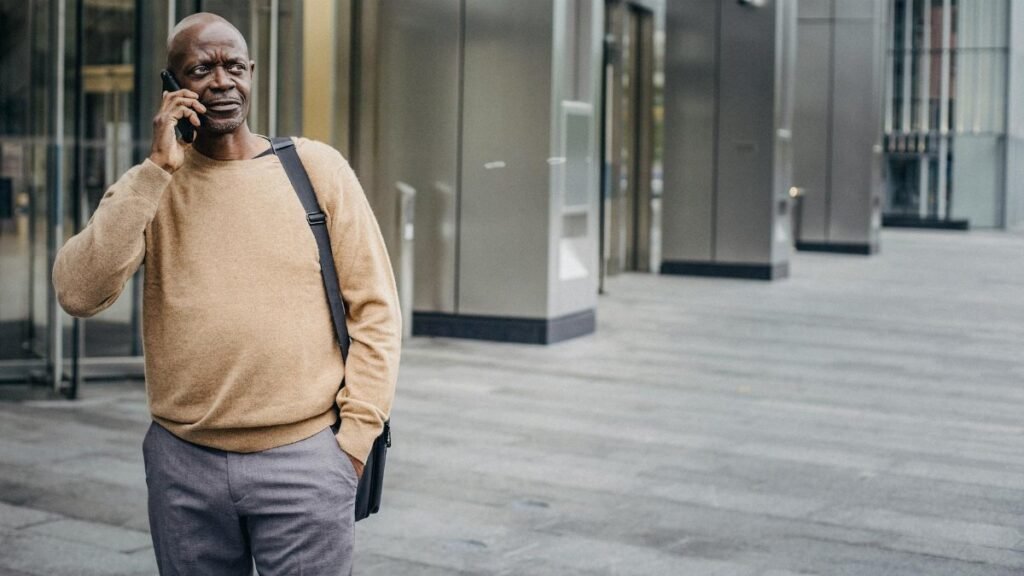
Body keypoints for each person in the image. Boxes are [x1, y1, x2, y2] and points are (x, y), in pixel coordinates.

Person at [52, 12, 400, 575]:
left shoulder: (315, 169)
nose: (220, 82)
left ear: (252, 74)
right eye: (199, 69)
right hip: (183, 464)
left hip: (306, 459)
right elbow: (77, 292)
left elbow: (377, 309)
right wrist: (156, 169)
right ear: (171, 87)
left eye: (233, 66)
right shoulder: (153, 185)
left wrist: (354, 441)